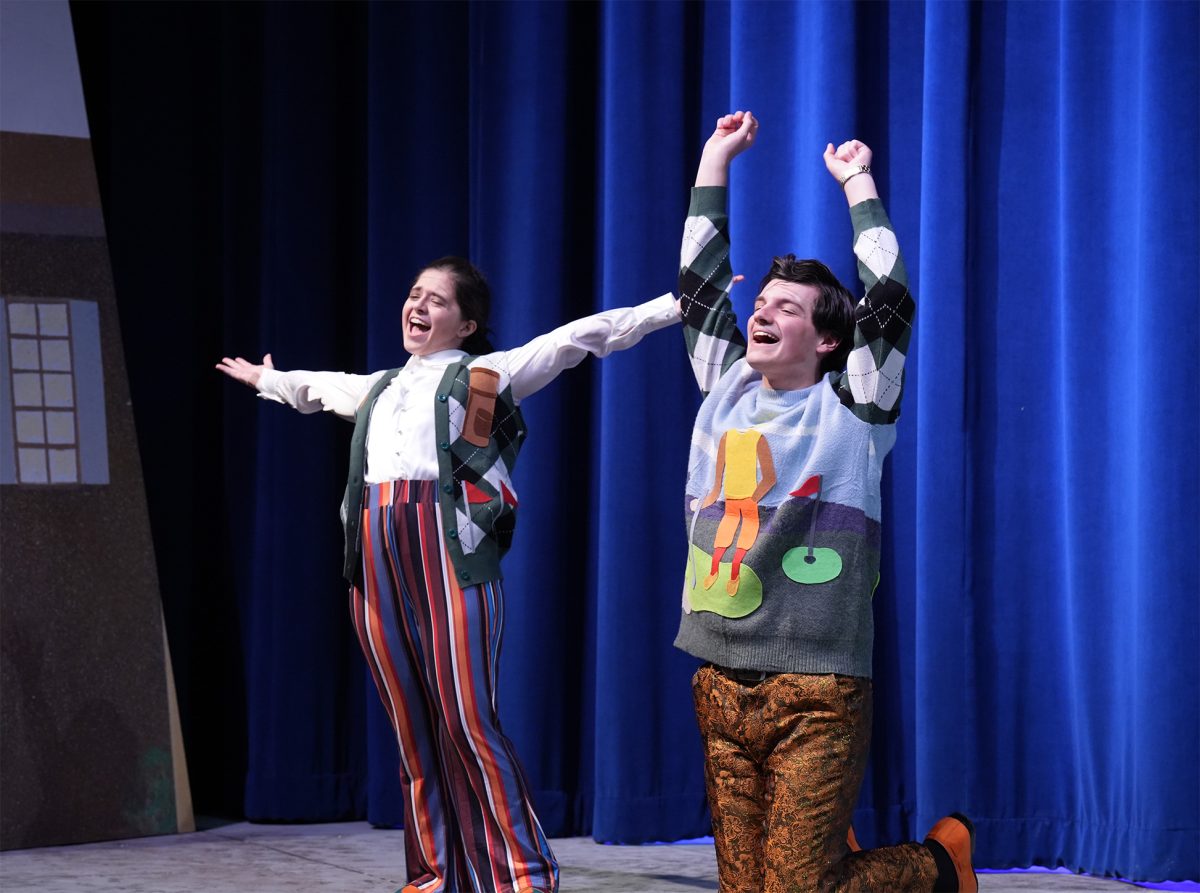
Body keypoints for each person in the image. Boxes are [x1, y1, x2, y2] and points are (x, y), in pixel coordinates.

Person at [217, 257, 678, 893]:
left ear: (466, 324)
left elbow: (578, 337)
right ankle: (434, 875)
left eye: (436, 300)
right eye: (413, 295)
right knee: (411, 727)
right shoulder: (378, 387)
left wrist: (674, 307)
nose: (418, 306)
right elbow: (317, 387)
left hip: (448, 548)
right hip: (375, 556)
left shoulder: (486, 375)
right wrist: (269, 380)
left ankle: (523, 875)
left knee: (466, 719)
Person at [673, 111, 978, 892]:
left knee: (803, 890)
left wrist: (857, 183)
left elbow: (891, 297)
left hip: (820, 690)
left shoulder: (857, 408)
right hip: (720, 681)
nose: (763, 312)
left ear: (829, 340)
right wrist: (715, 158)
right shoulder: (726, 389)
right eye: (762, 302)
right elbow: (701, 288)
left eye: (786, 307)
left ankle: (939, 866)